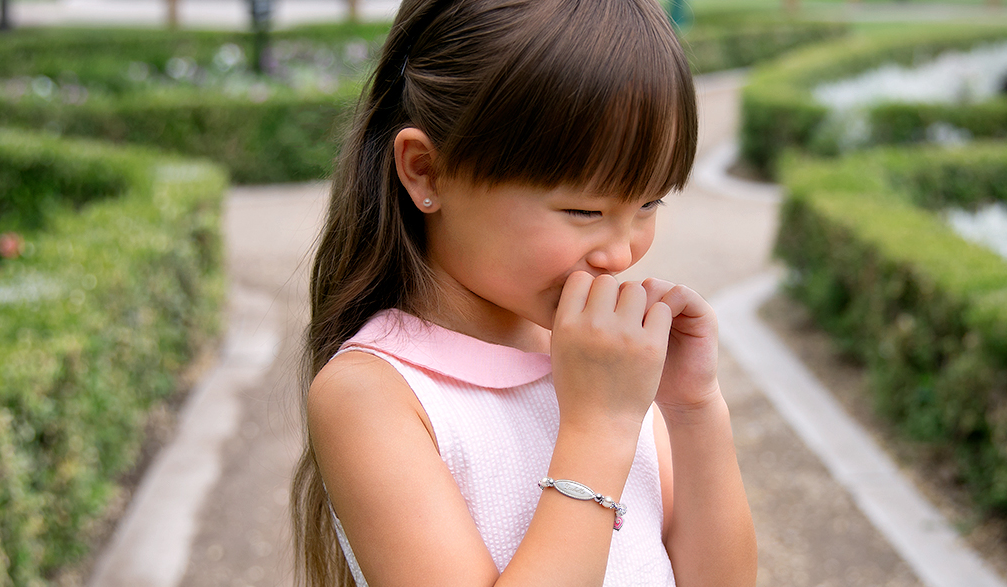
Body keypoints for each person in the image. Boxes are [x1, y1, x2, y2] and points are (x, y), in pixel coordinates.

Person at [290, 0, 758, 584]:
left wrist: (693, 410)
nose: (619, 254)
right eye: (583, 210)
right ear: (426, 171)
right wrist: (598, 426)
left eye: (649, 204)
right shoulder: (376, 393)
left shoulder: (594, 357)